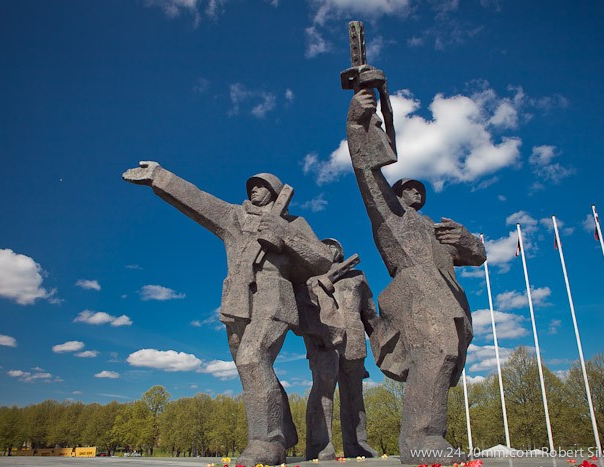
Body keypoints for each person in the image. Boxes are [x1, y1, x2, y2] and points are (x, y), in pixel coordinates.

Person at [123, 162, 332, 465]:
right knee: (252, 368)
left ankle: (267, 442)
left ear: (275, 191)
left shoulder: (294, 222)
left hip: (274, 295)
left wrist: (284, 234)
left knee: (252, 358)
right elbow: (197, 200)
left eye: (261, 185)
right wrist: (160, 176)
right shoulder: (235, 216)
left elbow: (323, 259)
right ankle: (284, 429)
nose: (254, 189)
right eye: (251, 186)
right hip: (237, 299)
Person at [345, 90, 486, 464]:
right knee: (436, 352)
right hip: (415, 291)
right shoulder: (391, 218)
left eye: (420, 188)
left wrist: (467, 240)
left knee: (445, 359)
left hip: (449, 300)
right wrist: (356, 123)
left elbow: (477, 257)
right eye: (408, 187)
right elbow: (365, 173)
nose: (415, 191)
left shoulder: (437, 230)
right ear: (395, 195)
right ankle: (421, 440)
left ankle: (428, 437)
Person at [295, 239, 379, 460]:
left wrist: (381, 343)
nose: (329, 250)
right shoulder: (308, 279)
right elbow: (301, 310)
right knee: (323, 391)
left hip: (354, 341)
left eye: (333, 247)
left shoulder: (357, 277)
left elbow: (369, 313)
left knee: (354, 396)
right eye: (324, 247)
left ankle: (358, 443)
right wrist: (316, 286)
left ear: (340, 252)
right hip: (322, 340)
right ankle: (320, 445)